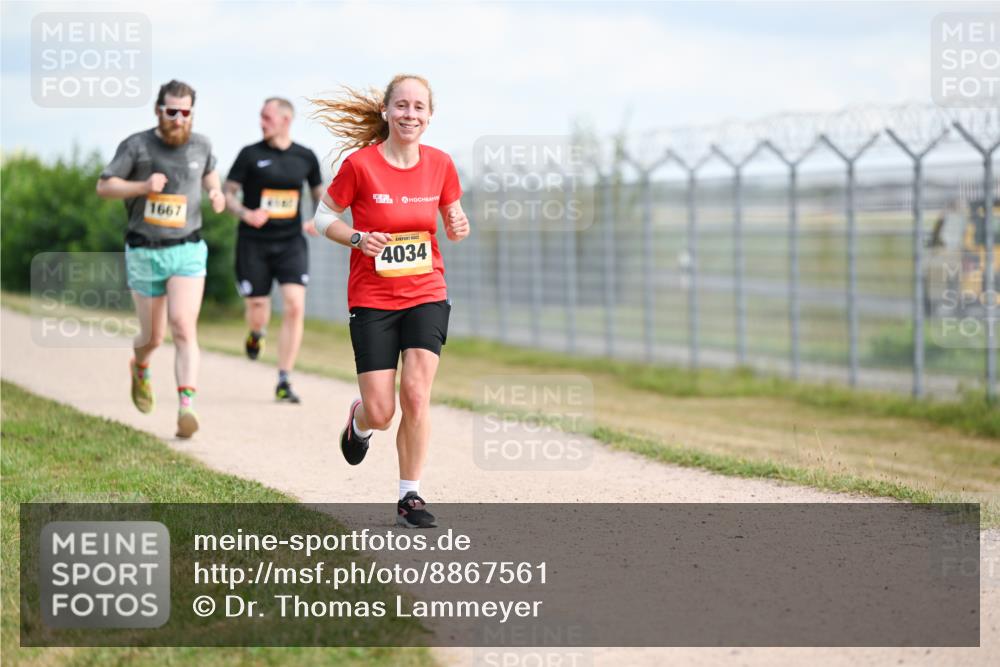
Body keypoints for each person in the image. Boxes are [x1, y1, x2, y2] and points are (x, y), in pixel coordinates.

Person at [310, 74, 470, 528]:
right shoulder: (361, 166)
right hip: (373, 297)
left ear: (430, 116)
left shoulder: (441, 164)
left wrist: (458, 225)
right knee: (382, 412)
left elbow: (456, 223)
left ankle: (410, 496)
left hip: (426, 291)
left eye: (419, 107)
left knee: (417, 395)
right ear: (386, 111)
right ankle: (358, 423)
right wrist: (358, 238)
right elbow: (323, 218)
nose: (410, 115)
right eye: (402, 106)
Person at [96, 79, 225, 438]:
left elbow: (209, 172)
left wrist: (215, 193)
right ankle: (140, 366)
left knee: (183, 325)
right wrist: (141, 186)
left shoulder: (202, 144)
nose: (179, 118)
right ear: (158, 110)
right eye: (172, 111)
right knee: (153, 336)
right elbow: (104, 186)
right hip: (145, 250)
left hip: (187, 248)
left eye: (186, 113)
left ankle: (187, 407)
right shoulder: (137, 145)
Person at [224, 97, 323, 403]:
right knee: (258, 309)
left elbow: (322, 195)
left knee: (295, 305)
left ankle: (284, 379)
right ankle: (256, 334)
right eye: (261, 117)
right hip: (254, 243)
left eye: (267, 117)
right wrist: (245, 213)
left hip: (291, 242)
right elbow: (228, 193)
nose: (261, 122)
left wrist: (316, 219)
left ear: (285, 120)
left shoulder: (305, 157)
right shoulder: (250, 154)